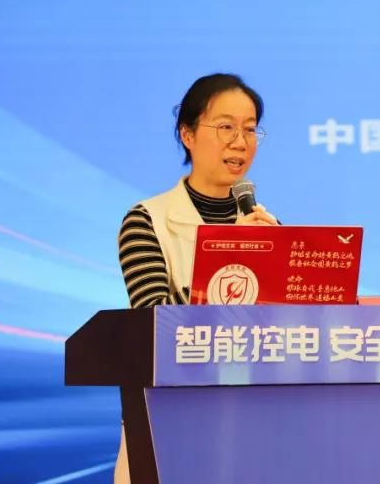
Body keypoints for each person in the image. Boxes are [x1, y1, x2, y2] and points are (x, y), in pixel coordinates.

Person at [113, 73, 278, 483]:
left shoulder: (268, 228)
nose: (240, 142)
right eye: (225, 127)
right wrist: (234, 252)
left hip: (253, 428)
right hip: (170, 426)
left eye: (250, 129)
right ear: (187, 134)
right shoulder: (148, 221)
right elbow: (155, 325)